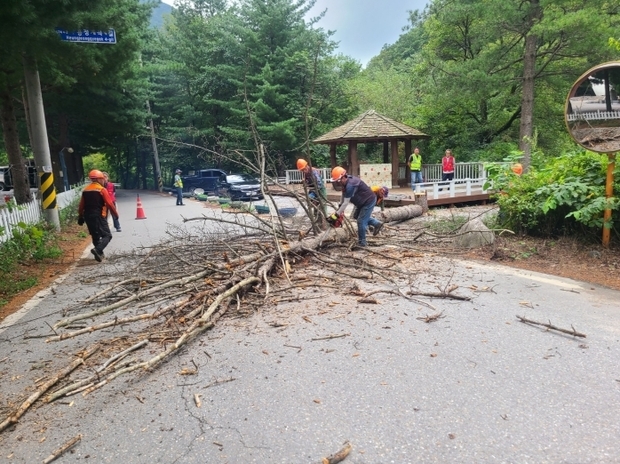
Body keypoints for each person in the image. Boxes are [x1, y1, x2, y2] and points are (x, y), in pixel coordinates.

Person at [329, 166, 384, 247]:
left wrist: (337, 214)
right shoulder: (346, 183)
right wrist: (339, 207)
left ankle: (362, 243)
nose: (337, 183)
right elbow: (343, 195)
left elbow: (346, 202)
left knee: (361, 221)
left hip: (368, 201)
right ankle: (377, 224)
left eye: (338, 181)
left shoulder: (350, 185)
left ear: (343, 177)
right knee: (356, 216)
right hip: (362, 202)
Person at [78, 169, 119, 262]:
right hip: (98, 215)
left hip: (88, 216)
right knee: (107, 236)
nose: (104, 180)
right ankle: (97, 249)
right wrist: (115, 214)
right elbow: (109, 204)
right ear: (100, 179)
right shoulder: (102, 189)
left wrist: (80, 216)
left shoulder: (85, 190)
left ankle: (100, 255)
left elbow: (81, 205)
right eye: (103, 179)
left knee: (95, 235)